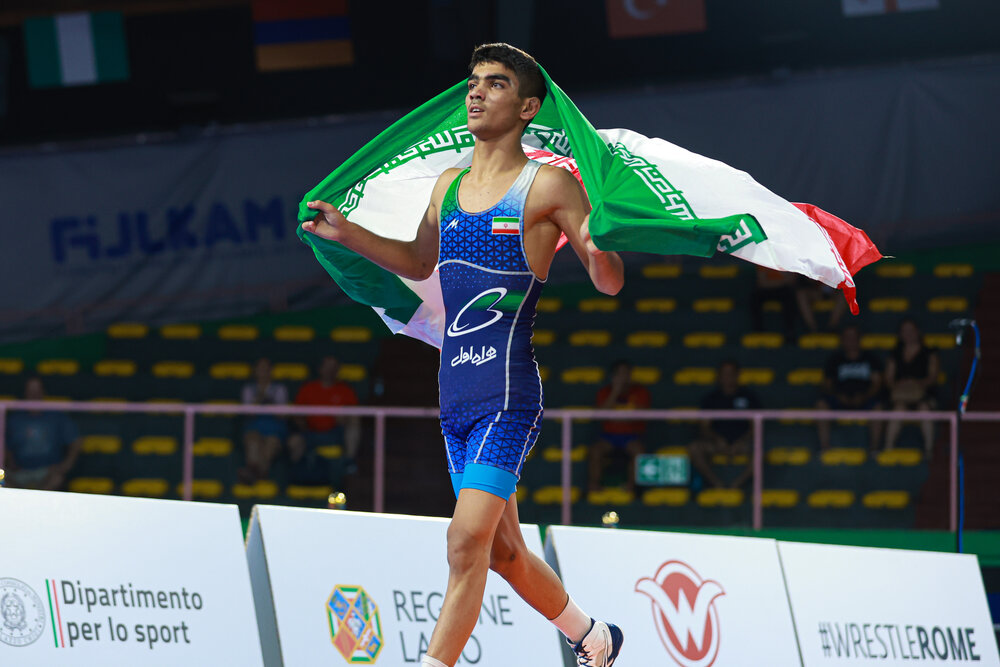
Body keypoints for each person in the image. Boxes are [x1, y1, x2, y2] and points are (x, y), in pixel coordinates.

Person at [302, 43, 625, 667]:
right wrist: (349, 234)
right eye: (473, 82)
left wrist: (600, 239)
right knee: (503, 552)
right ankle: (594, 637)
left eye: (495, 83)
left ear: (528, 107)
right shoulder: (447, 186)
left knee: (463, 541)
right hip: (454, 400)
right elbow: (418, 262)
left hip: (507, 395)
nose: (476, 92)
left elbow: (608, 282)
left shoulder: (548, 185)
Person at [689, 360, 760, 489]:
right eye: (725, 374)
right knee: (694, 448)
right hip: (717, 444)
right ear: (719, 376)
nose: (728, 377)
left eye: (731, 373)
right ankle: (717, 483)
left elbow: (755, 427)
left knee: (760, 450)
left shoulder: (749, 397)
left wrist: (741, 441)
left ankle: (737, 484)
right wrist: (717, 439)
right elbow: (704, 427)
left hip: (742, 444)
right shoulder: (710, 399)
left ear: (737, 375)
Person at [288, 356, 361, 482]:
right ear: (320, 369)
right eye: (327, 366)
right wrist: (303, 424)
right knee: (294, 441)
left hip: (336, 432)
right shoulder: (308, 388)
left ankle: (348, 463)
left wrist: (344, 419)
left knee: (354, 425)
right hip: (310, 432)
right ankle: (296, 478)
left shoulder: (345, 390)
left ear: (337, 370)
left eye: (333, 367)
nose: (330, 370)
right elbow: (297, 414)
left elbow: (355, 415)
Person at [3, 377, 80, 490]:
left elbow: (75, 442)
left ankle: (36, 499)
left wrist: (65, 466)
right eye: (30, 391)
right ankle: (24, 498)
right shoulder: (14, 419)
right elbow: (5, 445)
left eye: (37, 391)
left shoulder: (57, 416)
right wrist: (10, 462)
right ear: (25, 393)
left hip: (47, 472)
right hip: (19, 472)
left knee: (57, 478)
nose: (34, 395)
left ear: (44, 392)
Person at [816, 325, 884, 451]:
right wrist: (839, 396)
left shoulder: (870, 358)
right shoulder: (835, 359)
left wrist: (864, 397)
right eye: (847, 337)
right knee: (821, 405)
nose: (851, 340)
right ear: (842, 340)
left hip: (865, 399)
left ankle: (874, 449)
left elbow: (877, 384)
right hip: (839, 398)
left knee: (878, 407)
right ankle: (825, 448)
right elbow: (827, 384)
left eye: (853, 337)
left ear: (859, 339)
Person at [588, 360, 650, 494]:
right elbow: (601, 415)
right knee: (595, 451)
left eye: (626, 373)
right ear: (613, 376)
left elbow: (640, 415)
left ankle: (631, 488)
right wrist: (615, 392)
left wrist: (617, 417)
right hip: (609, 436)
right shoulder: (604, 392)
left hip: (633, 436)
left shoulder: (640, 392)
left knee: (639, 451)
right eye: (620, 374)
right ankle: (594, 487)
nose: (624, 377)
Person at [884, 318, 940, 454]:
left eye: (911, 330)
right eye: (904, 331)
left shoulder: (929, 352)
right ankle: (888, 449)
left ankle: (929, 450)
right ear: (900, 334)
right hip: (901, 396)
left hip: (923, 395)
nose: (908, 333)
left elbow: (933, 377)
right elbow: (888, 379)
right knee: (898, 410)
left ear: (918, 331)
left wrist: (916, 383)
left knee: (924, 409)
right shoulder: (895, 353)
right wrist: (900, 385)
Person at [239, 358, 289, 483]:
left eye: (266, 368)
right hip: (254, 426)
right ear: (255, 371)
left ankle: (253, 475)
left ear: (271, 371)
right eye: (260, 368)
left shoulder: (279, 389)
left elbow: (282, 414)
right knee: (253, 440)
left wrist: (265, 401)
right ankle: (260, 474)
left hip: (275, 428)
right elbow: (248, 413)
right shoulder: (248, 389)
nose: (263, 371)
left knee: (271, 442)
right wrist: (261, 399)